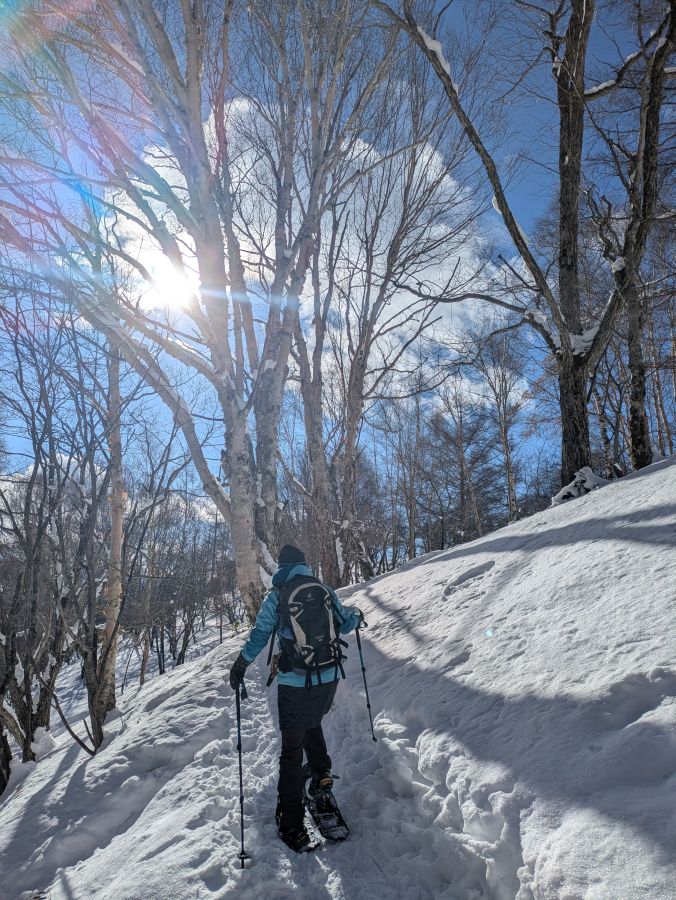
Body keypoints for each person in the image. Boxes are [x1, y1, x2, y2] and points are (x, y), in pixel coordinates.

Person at [228, 543, 362, 852]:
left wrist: (240, 664)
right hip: (328, 679)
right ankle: (320, 777)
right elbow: (346, 622)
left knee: (291, 750)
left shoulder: (277, 597)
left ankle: (291, 823)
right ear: (303, 564)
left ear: (281, 569)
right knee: (312, 723)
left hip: (295, 682)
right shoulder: (324, 589)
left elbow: (260, 635)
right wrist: (357, 614)